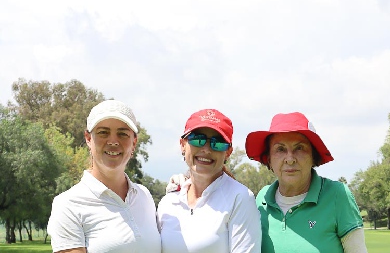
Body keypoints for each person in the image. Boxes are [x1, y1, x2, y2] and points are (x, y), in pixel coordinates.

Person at [47, 100, 161, 253]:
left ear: (134, 142)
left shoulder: (144, 195)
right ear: (88, 139)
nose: (113, 141)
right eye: (103, 133)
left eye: (122, 134)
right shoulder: (68, 205)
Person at [245, 112, 367, 253]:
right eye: (280, 149)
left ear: (313, 156)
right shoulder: (262, 198)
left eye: (299, 148)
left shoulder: (338, 195)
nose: (290, 159)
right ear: (269, 160)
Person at [157, 108, 261, 253]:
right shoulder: (168, 202)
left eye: (217, 143)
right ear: (183, 145)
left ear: (228, 152)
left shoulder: (240, 198)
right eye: (197, 139)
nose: (206, 149)